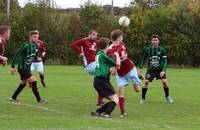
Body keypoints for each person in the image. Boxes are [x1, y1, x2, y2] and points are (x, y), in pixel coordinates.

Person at [108, 29, 141, 117]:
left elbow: (125, 58)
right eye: (122, 36)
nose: (122, 38)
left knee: (137, 90)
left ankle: (137, 76)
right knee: (120, 91)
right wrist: (113, 68)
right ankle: (123, 112)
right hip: (120, 73)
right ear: (119, 37)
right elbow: (110, 61)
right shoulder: (110, 49)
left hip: (129, 69)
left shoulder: (122, 46)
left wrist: (115, 66)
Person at [9, 31, 48, 104]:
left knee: (23, 83)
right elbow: (17, 54)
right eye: (35, 37)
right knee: (33, 81)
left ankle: (13, 97)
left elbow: (35, 55)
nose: (36, 39)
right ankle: (39, 99)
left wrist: (37, 58)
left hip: (27, 67)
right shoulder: (25, 45)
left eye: (37, 37)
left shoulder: (36, 46)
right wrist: (13, 66)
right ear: (30, 37)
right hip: (22, 67)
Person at [71, 30, 104, 106]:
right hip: (89, 65)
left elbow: (104, 44)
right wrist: (80, 52)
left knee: (101, 82)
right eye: (94, 35)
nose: (95, 36)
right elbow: (73, 44)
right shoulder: (84, 40)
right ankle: (106, 96)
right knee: (103, 77)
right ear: (89, 34)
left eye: (96, 35)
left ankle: (100, 101)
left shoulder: (95, 42)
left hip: (95, 64)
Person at [138, 34, 173, 104]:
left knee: (165, 82)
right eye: (153, 40)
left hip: (160, 70)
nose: (155, 41)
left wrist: (163, 70)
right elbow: (143, 59)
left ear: (158, 41)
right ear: (151, 41)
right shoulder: (148, 49)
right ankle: (143, 98)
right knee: (146, 82)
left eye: (156, 40)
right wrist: (141, 68)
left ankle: (167, 96)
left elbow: (165, 60)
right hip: (151, 69)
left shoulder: (162, 49)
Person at [91, 38, 120, 118]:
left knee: (113, 99)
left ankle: (98, 112)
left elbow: (107, 65)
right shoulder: (103, 55)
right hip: (102, 81)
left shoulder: (99, 54)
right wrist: (117, 55)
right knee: (115, 99)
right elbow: (117, 64)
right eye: (108, 44)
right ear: (106, 45)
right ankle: (106, 114)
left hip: (98, 81)